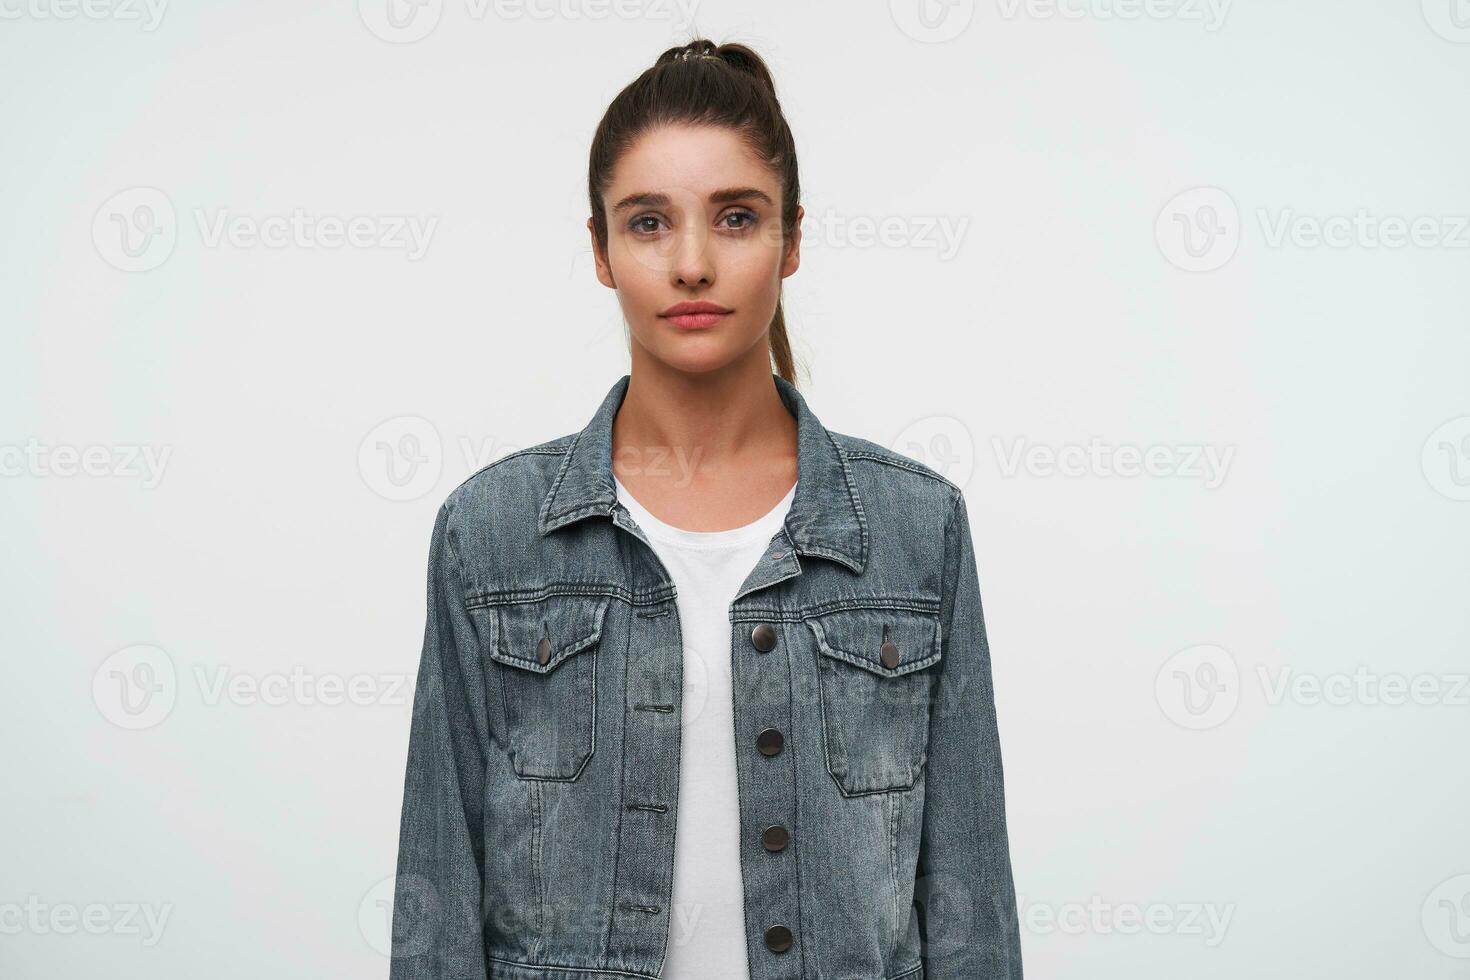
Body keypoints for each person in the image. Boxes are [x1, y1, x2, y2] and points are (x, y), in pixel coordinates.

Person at [389, 37, 1023, 980]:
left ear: (793, 239)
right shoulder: (490, 537)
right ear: (600, 251)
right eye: (648, 223)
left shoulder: (914, 531)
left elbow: (970, 911)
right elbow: (437, 903)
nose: (691, 264)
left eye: (735, 218)